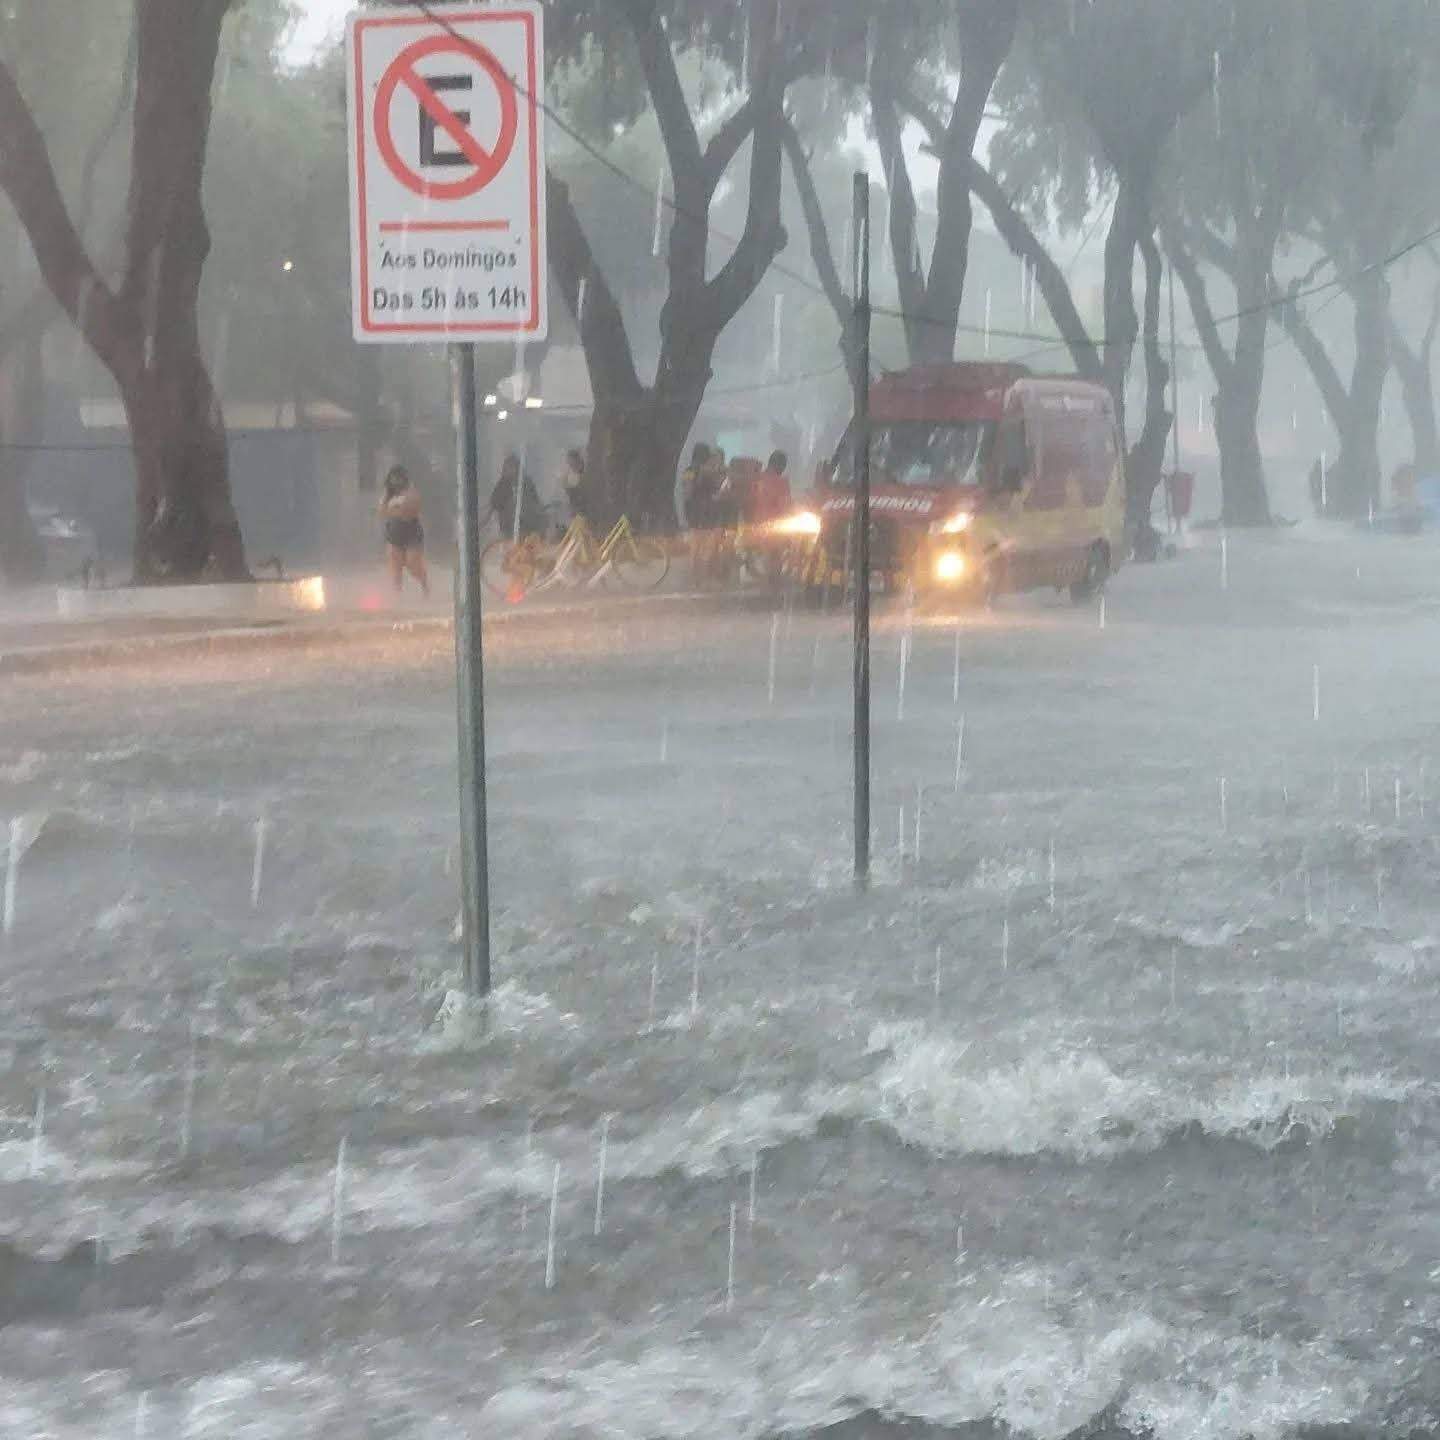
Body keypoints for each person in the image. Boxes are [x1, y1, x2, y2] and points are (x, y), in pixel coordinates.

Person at [378, 465, 430, 596]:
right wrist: (395, 510)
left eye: (398, 478)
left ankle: (424, 584)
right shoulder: (387, 494)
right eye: (393, 478)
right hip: (394, 533)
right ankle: (397, 595)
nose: (396, 481)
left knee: (413, 563)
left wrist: (395, 511)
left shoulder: (411, 491)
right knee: (395, 567)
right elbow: (382, 511)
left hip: (412, 532)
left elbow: (411, 511)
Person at [489, 453, 545, 540]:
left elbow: (535, 503)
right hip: (508, 531)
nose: (512, 470)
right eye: (508, 468)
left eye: (513, 467)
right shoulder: (502, 485)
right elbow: (494, 503)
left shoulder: (527, 483)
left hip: (527, 530)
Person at [747, 450, 793, 525]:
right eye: (783, 465)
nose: (784, 469)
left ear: (769, 463)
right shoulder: (782, 483)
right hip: (773, 527)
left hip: (754, 525)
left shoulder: (756, 478)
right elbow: (785, 508)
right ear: (781, 465)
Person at [560, 448, 595, 528]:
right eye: (570, 464)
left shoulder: (587, 478)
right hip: (577, 519)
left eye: (572, 463)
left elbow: (585, 499)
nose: (571, 466)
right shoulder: (570, 481)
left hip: (587, 519)